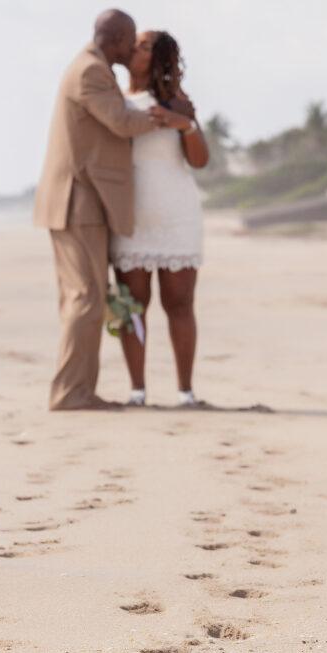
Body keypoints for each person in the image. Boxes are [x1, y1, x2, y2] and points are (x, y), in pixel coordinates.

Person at [34, 10, 178, 411]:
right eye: (130, 41)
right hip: (77, 201)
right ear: (115, 38)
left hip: (77, 200)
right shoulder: (90, 72)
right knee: (86, 299)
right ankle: (71, 393)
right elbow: (120, 122)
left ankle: (75, 390)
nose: (133, 49)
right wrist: (164, 117)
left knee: (83, 299)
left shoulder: (91, 68)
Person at [110, 31, 209, 407]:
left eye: (145, 45)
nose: (135, 49)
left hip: (176, 215)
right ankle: (137, 392)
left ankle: (186, 392)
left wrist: (181, 124)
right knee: (130, 307)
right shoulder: (113, 101)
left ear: (159, 57)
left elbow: (199, 160)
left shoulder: (177, 101)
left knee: (180, 304)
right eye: (133, 43)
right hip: (130, 218)